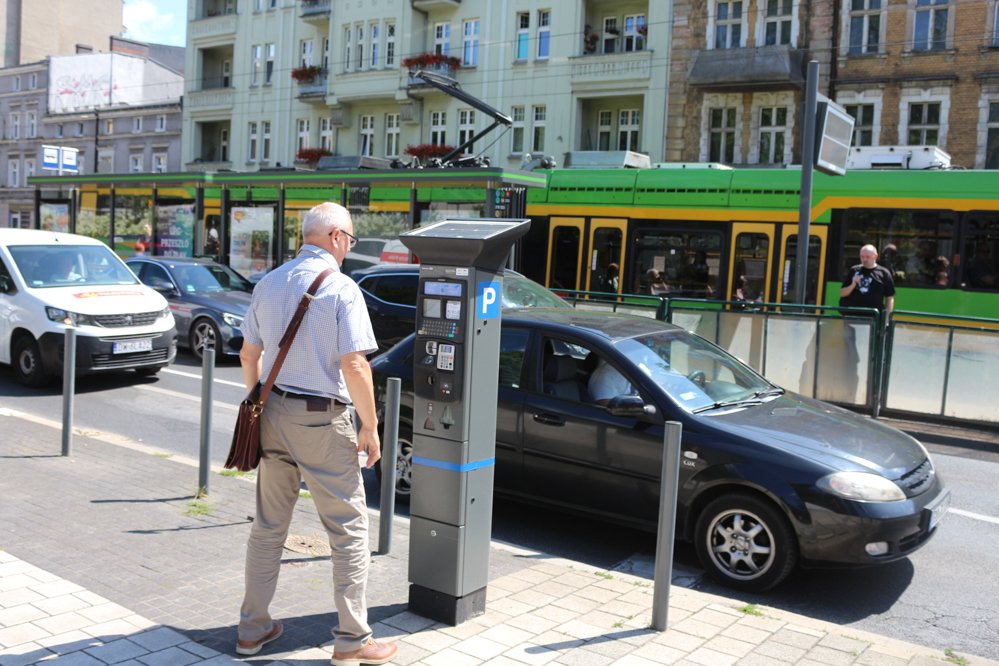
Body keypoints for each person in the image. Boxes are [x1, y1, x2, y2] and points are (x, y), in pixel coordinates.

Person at [235, 203, 398, 665]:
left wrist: (259, 401)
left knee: (268, 527)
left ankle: (252, 630)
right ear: (336, 237)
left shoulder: (269, 282)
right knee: (348, 530)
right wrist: (370, 425)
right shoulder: (342, 289)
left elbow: (248, 355)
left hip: (274, 413)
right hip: (322, 420)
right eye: (350, 239)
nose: (348, 247)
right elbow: (356, 365)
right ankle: (352, 640)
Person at [840, 244, 895, 318]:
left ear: (876, 256)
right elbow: (843, 293)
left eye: (867, 257)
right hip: (852, 317)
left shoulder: (884, 273)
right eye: (862, 257)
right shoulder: (854, 270)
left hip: (874, 318)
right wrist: (853, 284)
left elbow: (889, 298)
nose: (864, 259)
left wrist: (887, 319)